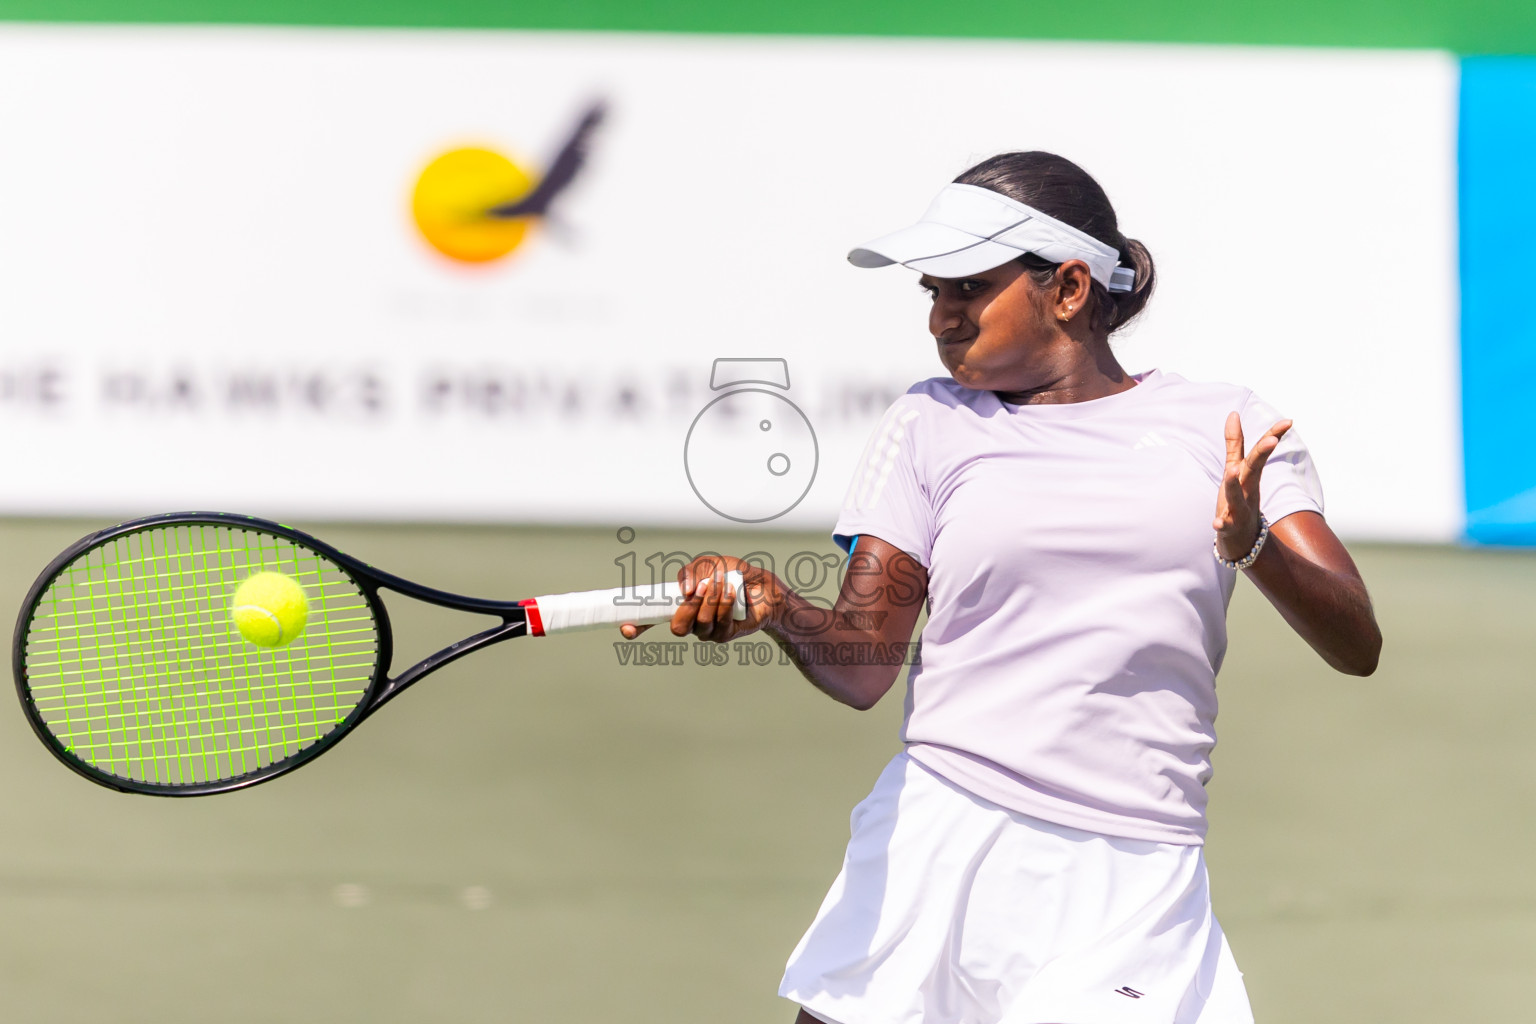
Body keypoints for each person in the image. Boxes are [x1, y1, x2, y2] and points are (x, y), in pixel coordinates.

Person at [621, 151, 1382, 1024]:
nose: (942, 318)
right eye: (931, 294)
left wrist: (1254, 551)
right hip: (936, 836)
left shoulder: (1225, 425)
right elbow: (864, 661)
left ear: (1066, 288)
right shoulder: (929, 423)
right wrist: (770, 601)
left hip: (1132, 875)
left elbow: (1357, 642)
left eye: (968, 289)